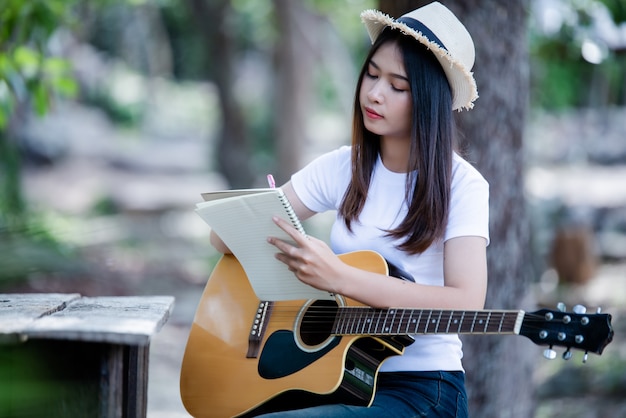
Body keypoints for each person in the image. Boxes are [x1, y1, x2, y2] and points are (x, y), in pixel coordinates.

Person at [210, 2, 489, 417]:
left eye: (398, 86)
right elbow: (223, 237)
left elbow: (466, 304)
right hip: (335, 374)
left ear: (428, 100)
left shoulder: (462, 185)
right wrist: (262, 231)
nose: (374, 93)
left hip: (423, 389)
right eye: (372, 75)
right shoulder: (343, 166)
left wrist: (340, 276)